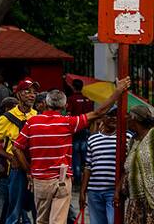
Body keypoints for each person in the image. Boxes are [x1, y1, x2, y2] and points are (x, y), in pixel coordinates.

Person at [13, 78, 129, 224]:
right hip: (61, 179)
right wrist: (118, 91)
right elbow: (99, 112)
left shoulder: (32, 122)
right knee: (57, 221)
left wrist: (29, 171)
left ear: (46, 103)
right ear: (64, 105)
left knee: (41, 220)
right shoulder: (68, 122)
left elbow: (16, 147)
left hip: (40, 180)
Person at [0, 77, 39, 224]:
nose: (32, 95)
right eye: (27, 91)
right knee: (14, 210)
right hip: (16, 170)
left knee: (38, 209)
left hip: (35, 168)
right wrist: (10, 157)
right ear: (18, 95)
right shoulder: (6, 118)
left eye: (34, 92)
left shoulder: (36, 116)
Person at [80, 106, 120, 224]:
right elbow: (88, 167)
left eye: (115, 116)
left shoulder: (124, 137)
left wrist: (118, 190)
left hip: (113, 191)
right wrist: (83, 191)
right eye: (110, 115)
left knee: (112, 221)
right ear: (102, 117)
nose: (113, 118)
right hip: (94, 191)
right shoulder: (93, 139)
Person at [124, 104, 154, 224]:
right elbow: (127, 168)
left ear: (134, 119)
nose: (126, 120)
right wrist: (118, 189)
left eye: (128, 117)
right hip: (135, 199)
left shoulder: (152, 136)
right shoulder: (133, 140)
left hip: (151, 199)